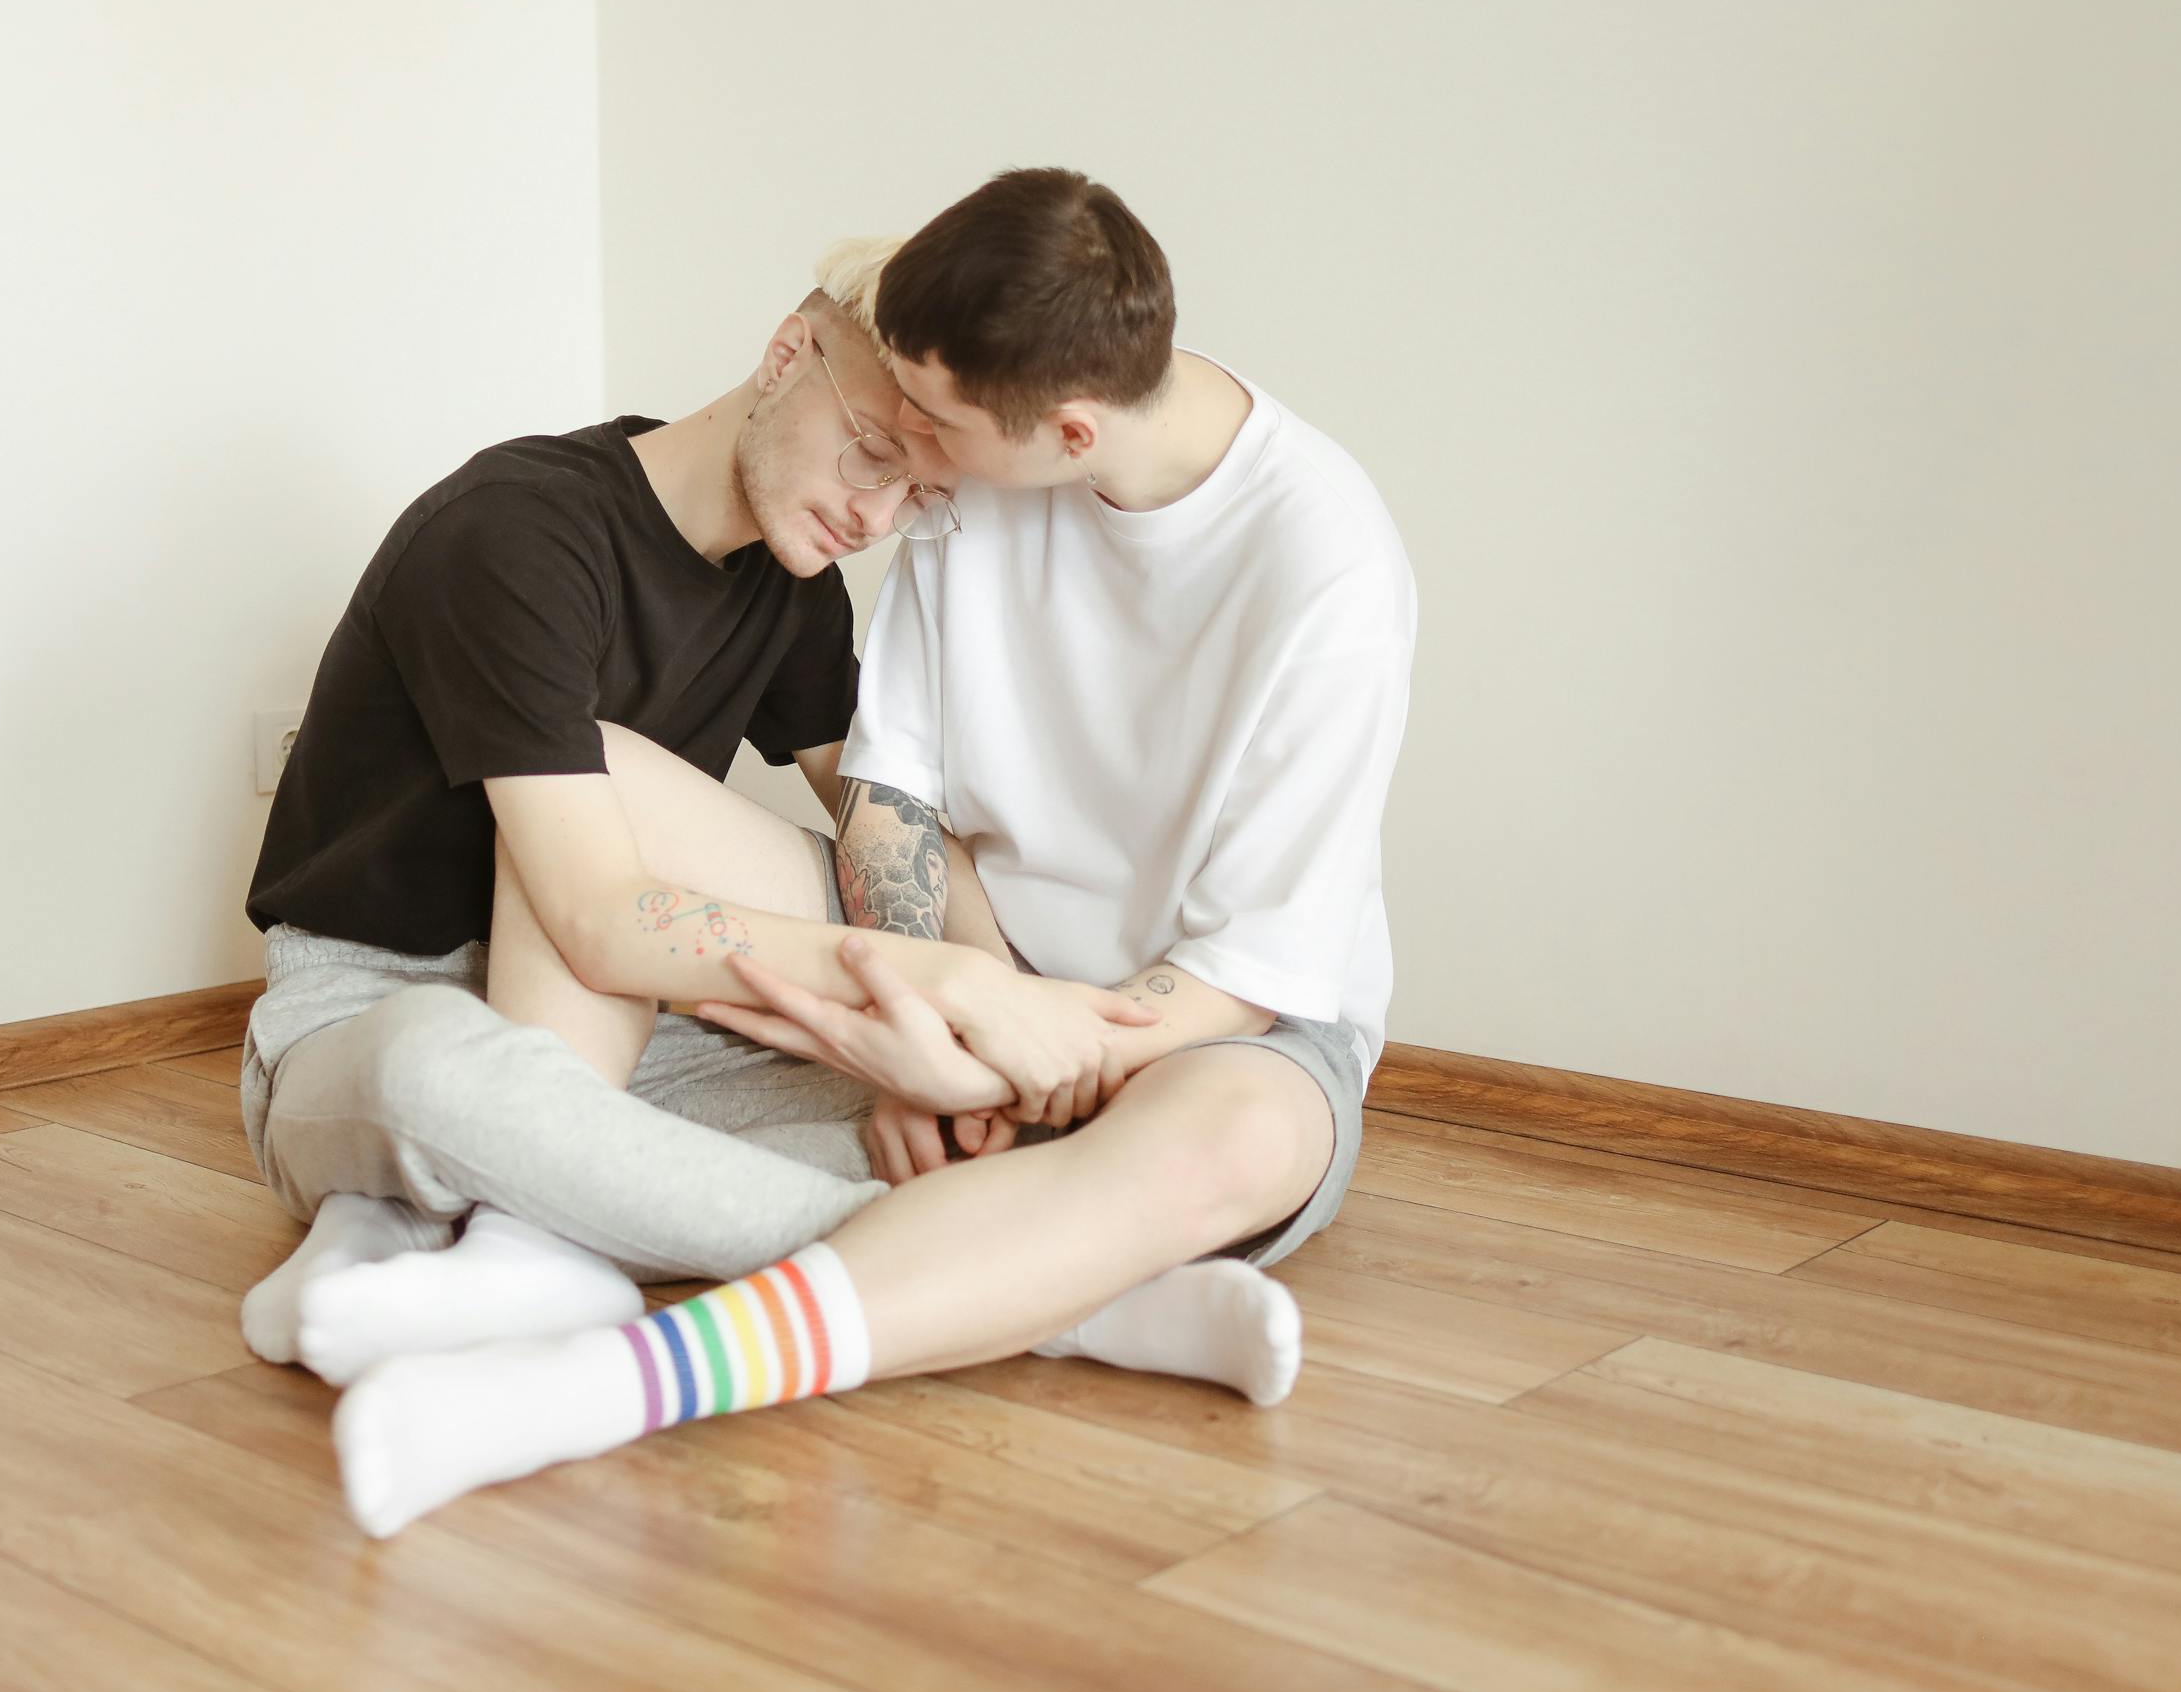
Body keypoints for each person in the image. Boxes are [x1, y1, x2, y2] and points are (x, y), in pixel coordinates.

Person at [324, 167, 1417, 1539]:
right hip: (974, 947)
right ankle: (560, 1243)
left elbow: (1251, 969)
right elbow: (888, 801)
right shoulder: (970, 460)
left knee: (1239, 1141)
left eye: (932, 421)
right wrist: (926, 1002)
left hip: (1200, 1023)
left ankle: (615, 1383)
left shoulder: (1328, 569)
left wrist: (1011, 1054)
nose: (903, 440)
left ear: (1068, 431)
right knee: (587, 776)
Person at [230, 242, 1291, 1404]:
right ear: (790, 353)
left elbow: (880, 830)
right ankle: (1071, 1303)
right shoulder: (517, 533)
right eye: (875, 452)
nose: (874, 513)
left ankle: (462, 1222)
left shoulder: (796, 589)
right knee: (442, 1071)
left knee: (944, 1117)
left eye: (917, 495)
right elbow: (595, 915)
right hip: (384, 1004)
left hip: (635, 1017)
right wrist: (915, 975)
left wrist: (991, 999)